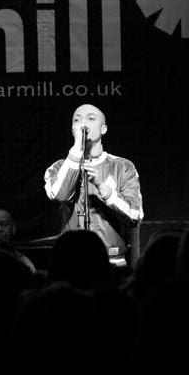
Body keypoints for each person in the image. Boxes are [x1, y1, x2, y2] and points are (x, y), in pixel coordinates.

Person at [44, 104, 143, 266]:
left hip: (112, 262)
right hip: (71, 262)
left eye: (90, 118)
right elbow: (60, 195)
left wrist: (103, 188)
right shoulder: (59, 167)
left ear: (103, 129)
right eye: (77, 120)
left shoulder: (122, 166)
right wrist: (77, 147)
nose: (83, 123)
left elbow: (135, 215)